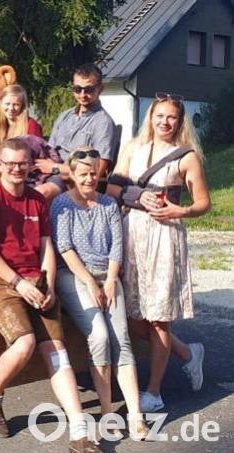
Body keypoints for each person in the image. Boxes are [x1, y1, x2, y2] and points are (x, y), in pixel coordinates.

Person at [0, 137, 100, 453]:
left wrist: (49, 286)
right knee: (25, 343)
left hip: (38, 283)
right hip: (2, 284)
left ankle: (79, 432)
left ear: (31, 165)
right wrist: (19, 283)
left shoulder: (35, 200)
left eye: (22, 163)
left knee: (57, 351)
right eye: (10, 163)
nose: (17, 168)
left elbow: (47, 246)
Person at [107, 93, 211, 412]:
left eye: (172, 118)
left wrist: (179, 212)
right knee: (128, 315)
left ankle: (153, 392)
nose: (165, 122)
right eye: (160, 115)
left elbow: (203, 203)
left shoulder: (186, 156)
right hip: (131, 234)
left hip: (164, 238)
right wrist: (138, 198)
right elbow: (113, 190)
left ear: (180, 122)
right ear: (150, 117)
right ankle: (187, 353)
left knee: (158, 319)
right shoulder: (132, 149)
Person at [51, 148, 148, 441]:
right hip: (76, 277)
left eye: (93, 172)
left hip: (107, 275)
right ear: (72, 175)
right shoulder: (61, 205)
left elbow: (117, 246)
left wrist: (109, 281)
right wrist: (91, 284)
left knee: (121, 338)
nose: (89, 178)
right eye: (83, 173)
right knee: (100, 337)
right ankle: (107, 412)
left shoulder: (108, 204)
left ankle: (135, 414)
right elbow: (65, 249)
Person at [37, 64, 117, 201]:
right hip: (48, 172)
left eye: (89, 90)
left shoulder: (103, 123)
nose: (82, 95)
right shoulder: (64, 116)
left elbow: (98, 169)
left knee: (39, 193)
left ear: (100, 89)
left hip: (72, 181)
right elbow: (49, 150)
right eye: (77, 89)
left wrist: (56, 168)